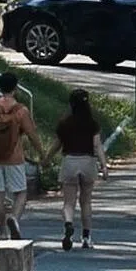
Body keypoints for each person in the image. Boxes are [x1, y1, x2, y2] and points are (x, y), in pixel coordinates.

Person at [0, 70, 42, 240]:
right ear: (16, 87)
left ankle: (2, 234)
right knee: (21, 192)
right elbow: (32, 134)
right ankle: (14, 217)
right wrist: (42, 155)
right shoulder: (20, 110)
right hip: (14, 157)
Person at [48, 88, 108, 250]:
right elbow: (97, 145)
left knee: (69, 202)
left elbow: (56, 145)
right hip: (88, 162)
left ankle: (68, 224)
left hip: (69, 161)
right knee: (86, 201)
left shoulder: (65, 123)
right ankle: (86, 237)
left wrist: (46, 158)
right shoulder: (92, 124)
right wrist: (103, 165)